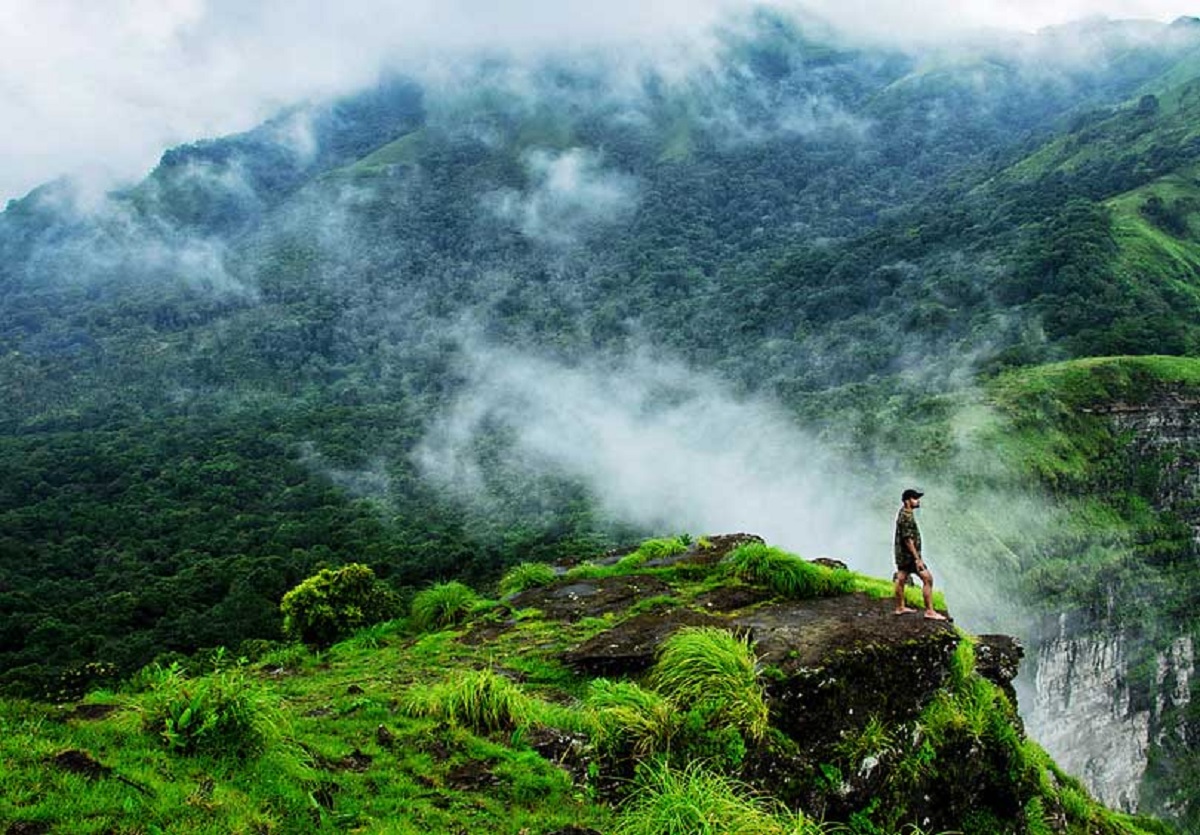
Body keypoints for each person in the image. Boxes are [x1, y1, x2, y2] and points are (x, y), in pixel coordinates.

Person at [893, 488, 948, 620]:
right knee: (928, 579)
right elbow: (908, 539)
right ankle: (929, 611)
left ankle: (900, 607)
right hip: (910, 556)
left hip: (902, 555)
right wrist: (917, 559)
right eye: (915, 499)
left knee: (900, 578)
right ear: (907, 501)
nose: (918, 501)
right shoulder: (906, 516)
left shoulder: (904, 513)